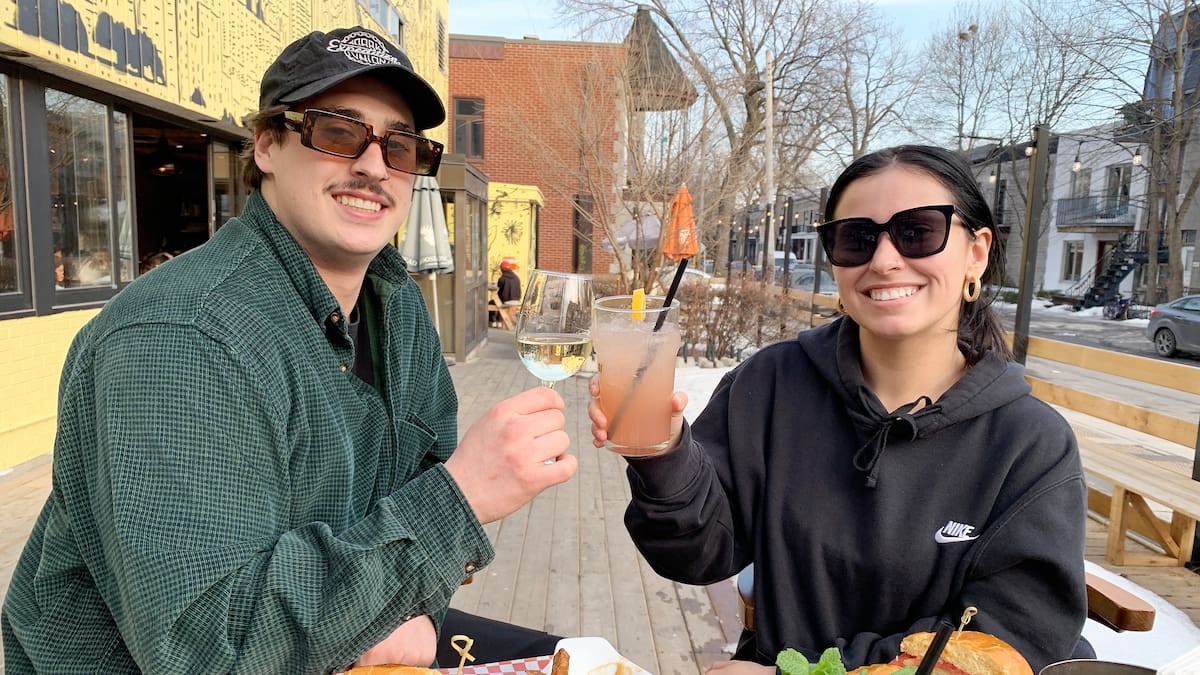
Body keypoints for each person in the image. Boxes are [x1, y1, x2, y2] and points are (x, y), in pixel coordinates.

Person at [3, 26, 576, 673]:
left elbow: (417, 549)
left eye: (401, 145)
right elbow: (209, 649)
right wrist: (462, 498)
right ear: (268, 143)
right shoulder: (180, 339)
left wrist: (404, 614)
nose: (372, 164)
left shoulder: (400, 307)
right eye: (336, 131)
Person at [588, 145, 1088, 673]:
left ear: (976, 253)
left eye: (917, 231)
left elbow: (1008, 643)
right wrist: (664, 454)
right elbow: (698, 555)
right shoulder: (772, 385)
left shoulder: (1030, 444)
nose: (884, 259)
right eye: (857, 238)